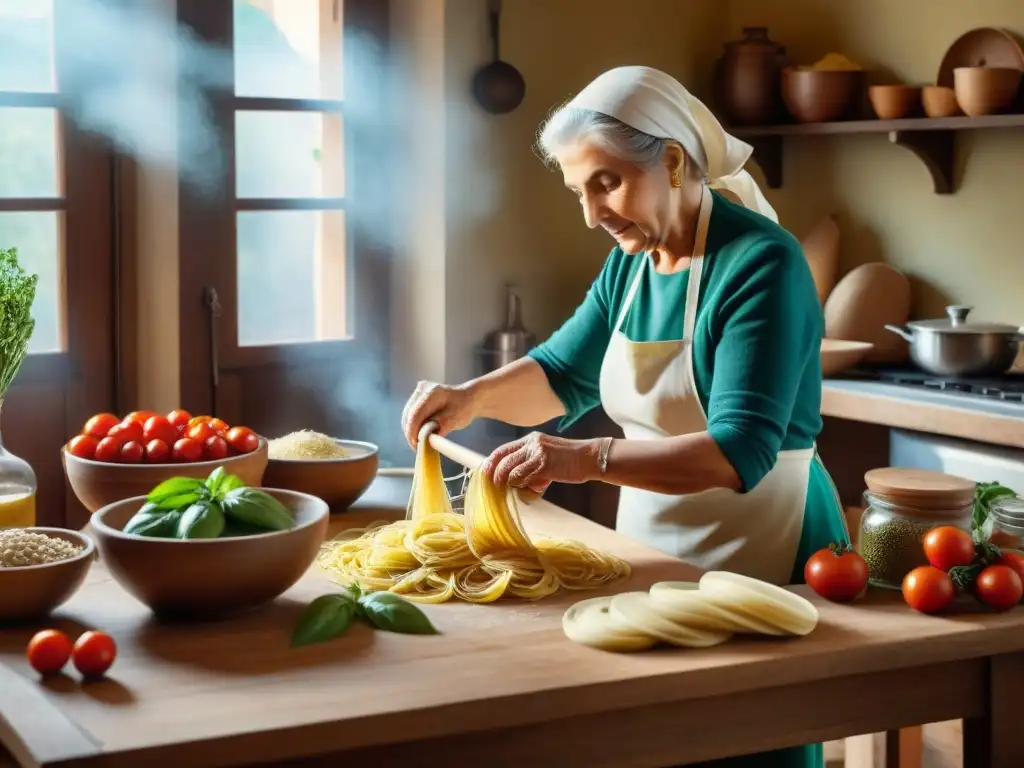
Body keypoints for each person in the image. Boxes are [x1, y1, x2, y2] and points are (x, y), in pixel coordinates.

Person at [401, 66, 848, 768]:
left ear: (672, 160)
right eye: (580, 191)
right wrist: (471, 398)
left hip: (765, 544)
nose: (592, 213)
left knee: (747, 746)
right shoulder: (631, 265)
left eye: (605, 183)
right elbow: (561, 375)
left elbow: (740, 453)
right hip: (652, 547)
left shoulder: (761, 262)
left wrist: (582, 459)